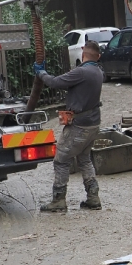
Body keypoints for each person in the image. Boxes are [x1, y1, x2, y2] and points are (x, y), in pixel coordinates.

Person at [33, 40, 105, 213]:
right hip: (93, 123)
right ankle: (93, 197)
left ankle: (58, 200)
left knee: (61, 160)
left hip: (79, 125)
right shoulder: (98, 71)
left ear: (83, 53)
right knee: (85, 159)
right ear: (98, 56)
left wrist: (41, 73)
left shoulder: (82, 72)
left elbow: (56, 82)